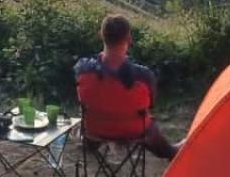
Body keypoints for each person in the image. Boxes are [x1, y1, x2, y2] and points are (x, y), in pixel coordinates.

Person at [75, 14, 179, 159]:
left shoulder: (83, 71)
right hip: (134, 131)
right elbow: (150, 104)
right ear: (129, 39)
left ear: (101, 36)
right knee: (148, 123)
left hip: (94, 130)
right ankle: (171, 153)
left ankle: (89, 145)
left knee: (94, 112)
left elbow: (82, 100)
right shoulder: (143, 76)